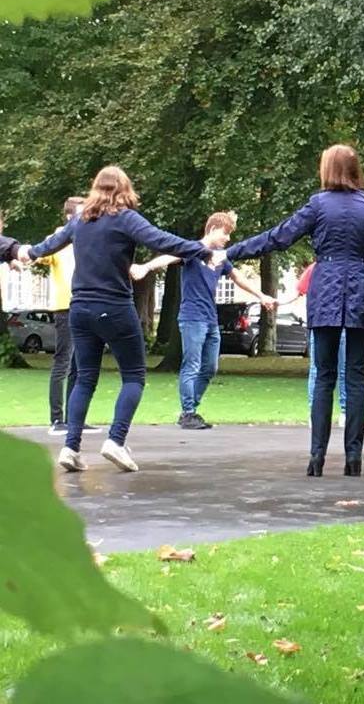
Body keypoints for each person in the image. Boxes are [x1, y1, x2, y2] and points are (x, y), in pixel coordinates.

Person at [224, 144, 364, 476]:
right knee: (356, 378)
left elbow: (277, 238)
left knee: (324, 379)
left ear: (327, 170)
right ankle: (353, 459)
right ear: (356, 169)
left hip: (326, 293)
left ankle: (316, 459)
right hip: (362, 294)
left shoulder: (318, 206)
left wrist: (231, 251)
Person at [21, 166, 220, 474]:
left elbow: (48, 245)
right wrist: (201, 250)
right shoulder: (125, 218)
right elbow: (162, 240)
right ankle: (115, 440)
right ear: (125, 189)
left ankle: (70, 447)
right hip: (113, 307)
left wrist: (25, 253)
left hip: (79, 310)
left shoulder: (79, 221)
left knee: (85, 378)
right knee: (134, 376)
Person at [131, 212, 276, 430]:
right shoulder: (192, 249)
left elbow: (238, 277)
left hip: (210, 318)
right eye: (226, 233)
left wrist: (261, 296)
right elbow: (169, 256)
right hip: (192, 317)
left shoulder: (220, 257)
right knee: (192, 365)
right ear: (213, 229)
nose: (228, 239)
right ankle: (188, 412)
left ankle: (189, 411)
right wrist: (146, 267)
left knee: (210, 367)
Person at [36, 197, 98, 437]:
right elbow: (40, 254)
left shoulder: (86, 238)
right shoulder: (61, 238)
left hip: (83, 303)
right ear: (71, 216)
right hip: (65, 306)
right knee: (63, 361)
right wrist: (57, 234)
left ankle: (75, 419)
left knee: (79, 364)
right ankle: (56, 419)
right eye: (83, 212)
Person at [280, 261, 347, 427]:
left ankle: (326, 413)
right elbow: (297, 291)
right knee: (340, 368)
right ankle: (340, 413)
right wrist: (276, 302)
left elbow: (296, 292)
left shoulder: (315, 268)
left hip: (322, 323)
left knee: (322, 369)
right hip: (331, 323)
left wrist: (276, 302)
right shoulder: (321, 268)